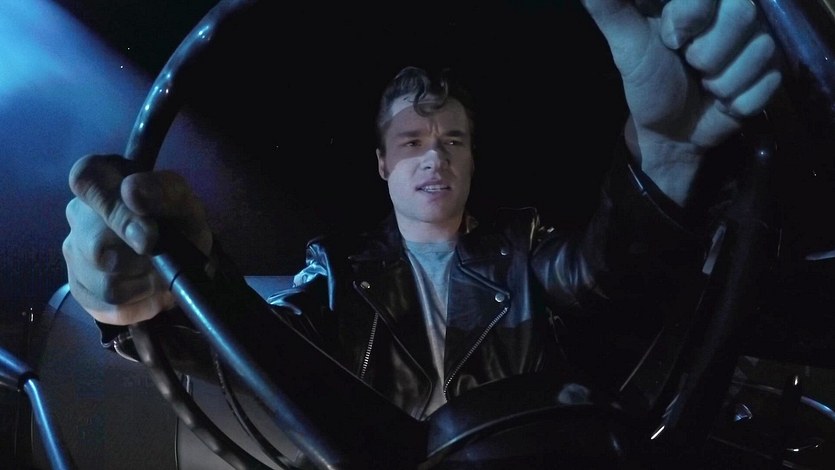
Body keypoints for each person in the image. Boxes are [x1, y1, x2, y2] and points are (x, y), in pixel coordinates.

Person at [61, 0, 782, 465]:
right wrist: (164, 292)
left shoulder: (523, 247)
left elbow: (606, 270)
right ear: (382, 164)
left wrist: (668, 155)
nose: (434, 156)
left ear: (472, 159)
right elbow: (261, 350)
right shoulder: (339, 272)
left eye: (452, 140)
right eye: (412, 142)